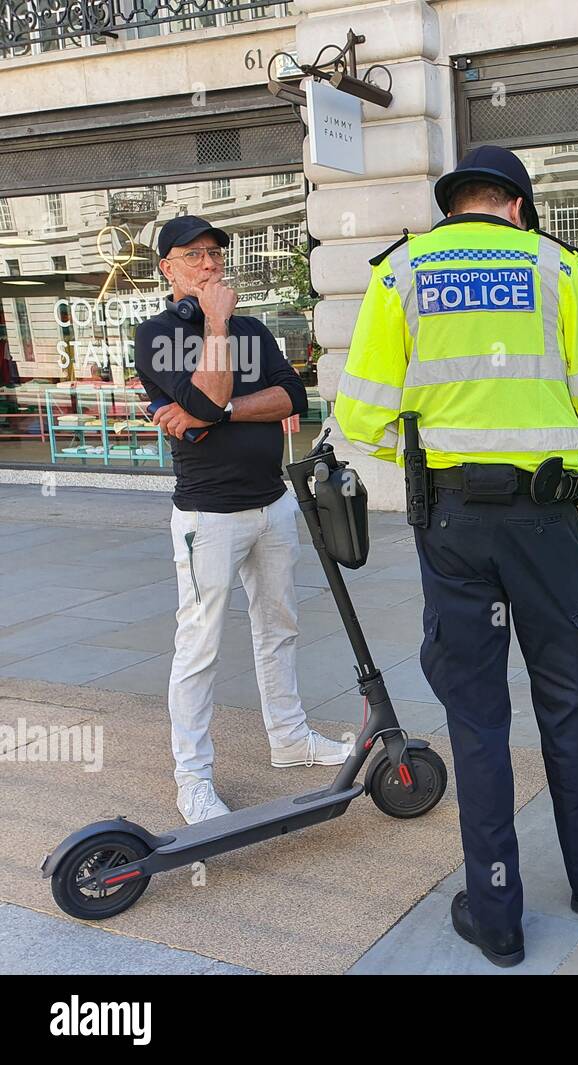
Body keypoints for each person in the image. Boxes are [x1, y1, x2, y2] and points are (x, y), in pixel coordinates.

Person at [335, 146, 578, 968]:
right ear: (518, 207)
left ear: (454, 203)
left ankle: (497, 914)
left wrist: (430, 462)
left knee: (477, 720)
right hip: (548, 523)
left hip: (454, 526)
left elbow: (359, 415)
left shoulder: (402, 271)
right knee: (569, 701)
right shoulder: (559, 271)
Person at [134, 215, 347, 826]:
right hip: (209, 514)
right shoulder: (156, 335)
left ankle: (289, 737)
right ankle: (193, 777)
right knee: (199, 645)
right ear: (166, 268)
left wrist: (215, 412)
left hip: (272, 503)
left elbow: (291, 400)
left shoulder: (254, 329)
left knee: (278, 627)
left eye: (215, 253)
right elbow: (196, 403)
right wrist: (217, 326)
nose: (209, 264)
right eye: (193, 255)